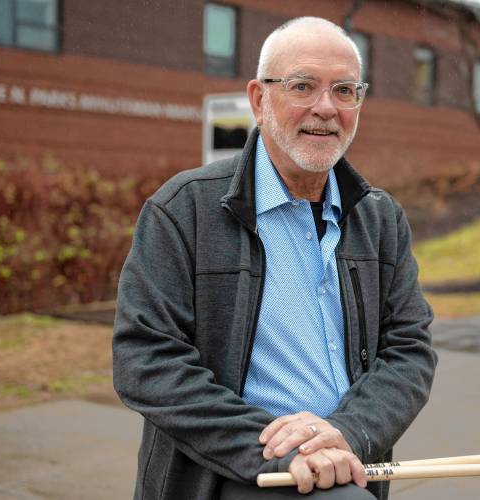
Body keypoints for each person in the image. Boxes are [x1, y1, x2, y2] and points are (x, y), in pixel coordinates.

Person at [113, 16, 437, 500]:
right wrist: (279, 448)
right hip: (227, 470)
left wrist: (347, 431)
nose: (326, 108)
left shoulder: (380, 218)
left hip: (344, 458)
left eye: (345, 90)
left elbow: (409, 351)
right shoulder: (184, 209)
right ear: (259, 100)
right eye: (302, 85)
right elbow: (145, 361)